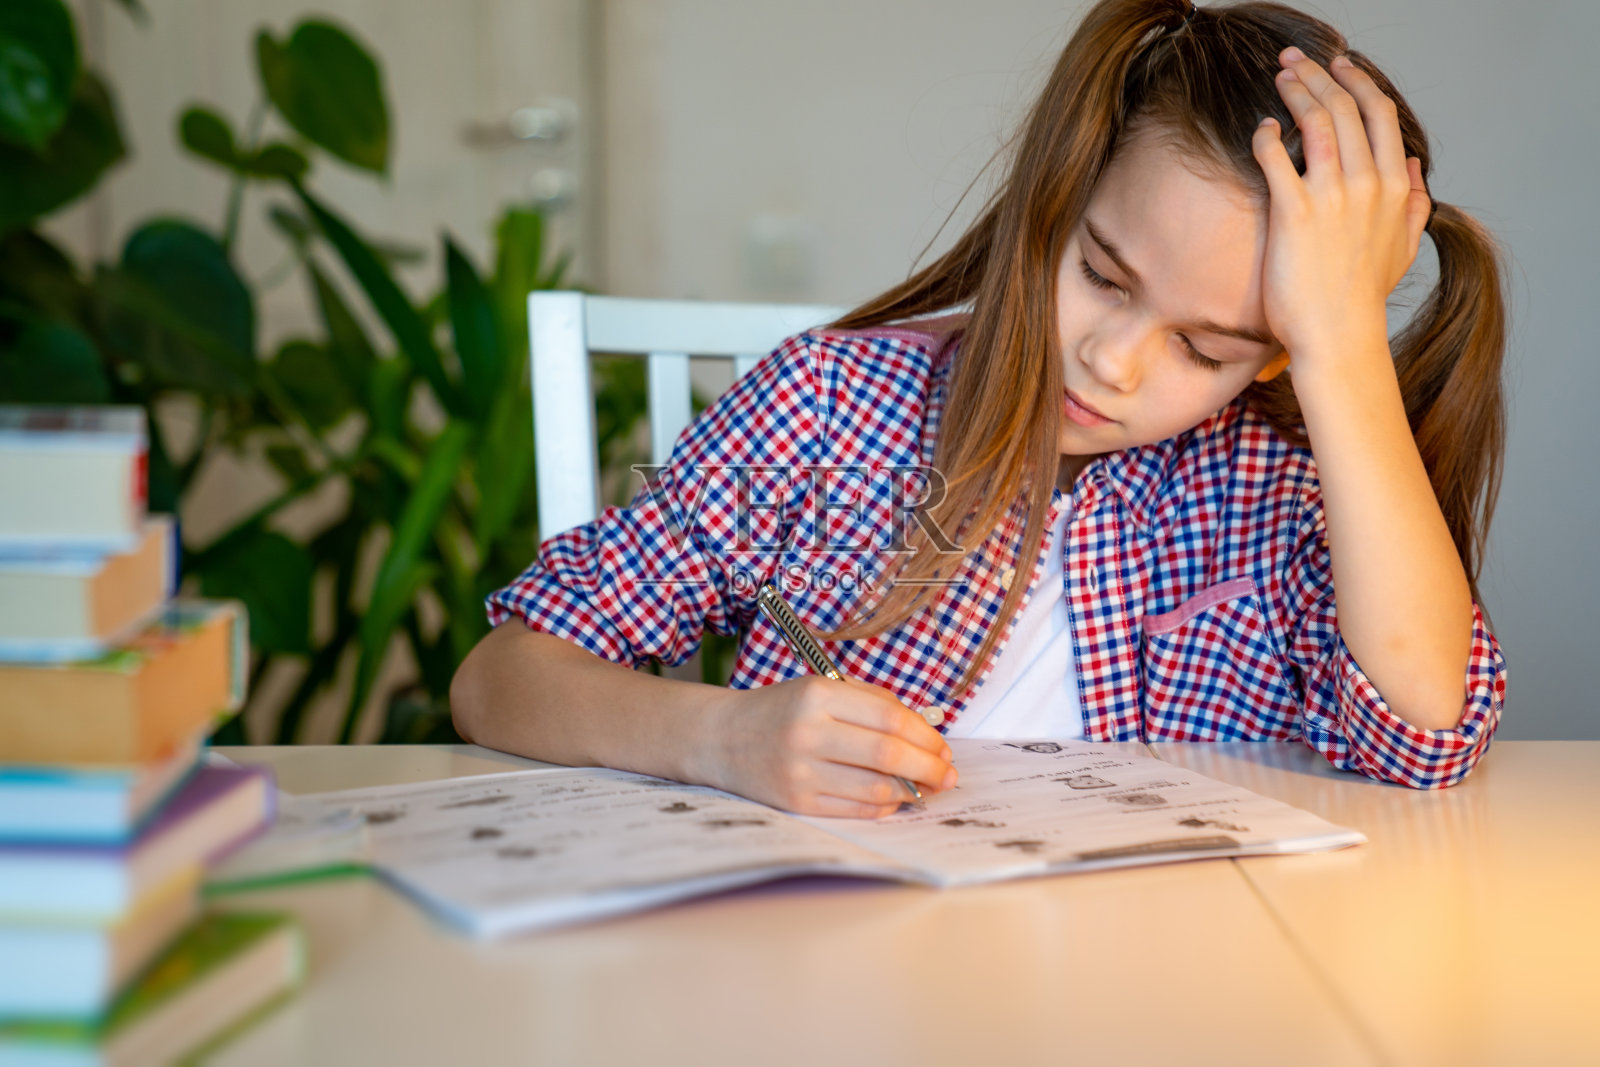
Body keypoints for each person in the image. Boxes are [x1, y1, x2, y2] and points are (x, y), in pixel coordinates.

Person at [451, 0, 1507, 817]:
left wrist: (1340, 343)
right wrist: (723, 736)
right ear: (1049, 203)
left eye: (1202, 346)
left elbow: (1427, 733)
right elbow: (501, 679)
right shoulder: (828, 408)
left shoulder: (1288, 490)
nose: (1112, 362)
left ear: (1275, 360)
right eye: (1100, 272)